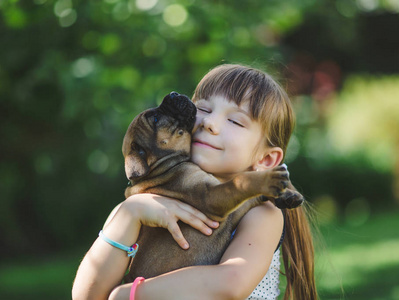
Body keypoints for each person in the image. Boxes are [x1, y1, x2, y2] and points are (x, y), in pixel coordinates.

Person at [72, 64, 317, 300]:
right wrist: (131, 212)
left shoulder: (262, 212)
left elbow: (231, 284)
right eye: (205, 109)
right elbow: (87, 296)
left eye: (235, 121)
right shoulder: (146, 202)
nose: (209, 123)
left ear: (266, 159)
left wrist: (131, 294)